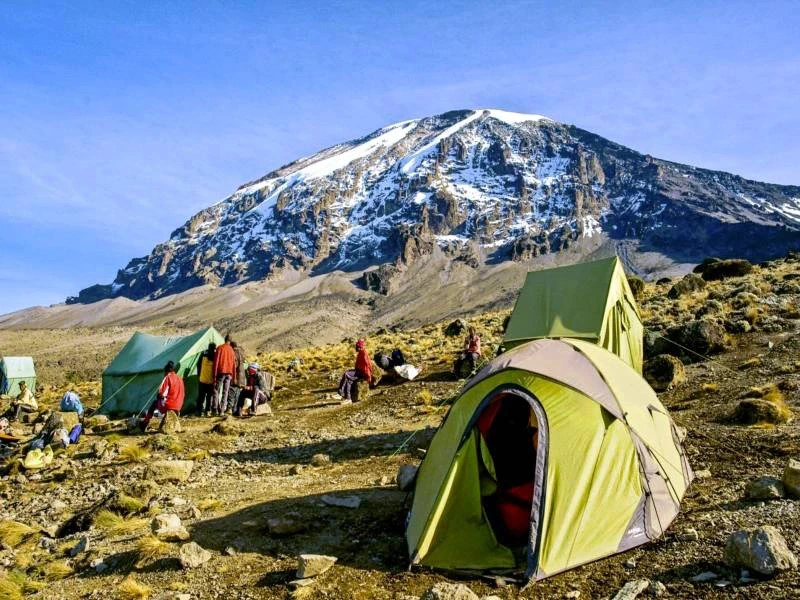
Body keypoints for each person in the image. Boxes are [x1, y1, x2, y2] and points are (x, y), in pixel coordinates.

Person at [140, 361, 185, 432]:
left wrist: (159, 396)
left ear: (166, 371)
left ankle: (145, 423)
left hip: (169, 405)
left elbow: (162, 393)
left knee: (155, 403)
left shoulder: (168, 377)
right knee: (160, 402)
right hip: (179, 406)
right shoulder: (180, 378)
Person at [213, 334, 236, 416]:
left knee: (216, 390)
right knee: (225, 391)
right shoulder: (232, 351)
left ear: (224, 339)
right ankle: (222, 410)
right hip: (229, 373)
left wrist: (214, 375)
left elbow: (216, 363)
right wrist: (234, 376)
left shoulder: (220, 348)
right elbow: (233, 364)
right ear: (230, 341)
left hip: (221, 372)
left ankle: (215, 409)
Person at [196, 342, 216, 416]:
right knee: (209, 397)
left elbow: (198, 365)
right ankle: (207, 411)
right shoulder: (215, 355)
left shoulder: (203, 354)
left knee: (201, 396)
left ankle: (198, 411)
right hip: (211, 380)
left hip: (202, 379)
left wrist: (199, 375)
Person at [228, 340, 248, 414]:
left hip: (236, 377)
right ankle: (237, 411)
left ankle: (232, 410)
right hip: (242, 378)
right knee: (237, 394)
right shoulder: (241, 352)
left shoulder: (235, 353)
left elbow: (235, 365)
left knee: (232, 393)